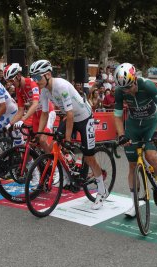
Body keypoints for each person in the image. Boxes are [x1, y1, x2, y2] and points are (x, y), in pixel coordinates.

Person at [29, 59, 108, 210]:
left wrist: (67, 138)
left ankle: (101, 191)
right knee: (55, 145)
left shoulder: (61, 86)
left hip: (84, 118)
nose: (35, 81)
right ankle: (68, 175)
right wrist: (40, 133)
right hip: (70, 117)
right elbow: (44, 113)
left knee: (89, 158)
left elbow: (70, 114)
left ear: (48, 75)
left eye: (37, 77)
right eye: (33, 78)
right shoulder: (45, 90)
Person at [113, 63, 157, 218]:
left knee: (151, 157)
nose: (126, 91)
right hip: (134, 125)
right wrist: (121, 135)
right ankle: (134, 203)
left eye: (128, 87)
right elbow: (117, 116)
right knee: (132, 165)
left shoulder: (147, 85)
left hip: (151, 123)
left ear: (135, 80)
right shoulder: (120, 91)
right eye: (123, 89)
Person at [3, 63, 56, 152]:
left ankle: (55, 164)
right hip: (36, 116)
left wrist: (22, 120)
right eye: (8, 82)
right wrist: (10, 124)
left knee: (43, 141)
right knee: (35, 145)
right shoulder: (18, 89)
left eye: (11, 81)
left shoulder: (32, 82)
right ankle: (43, 164)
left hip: (47, 113)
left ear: (19, 76)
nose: (10, 84)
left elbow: (35, 104)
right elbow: (20, 110)